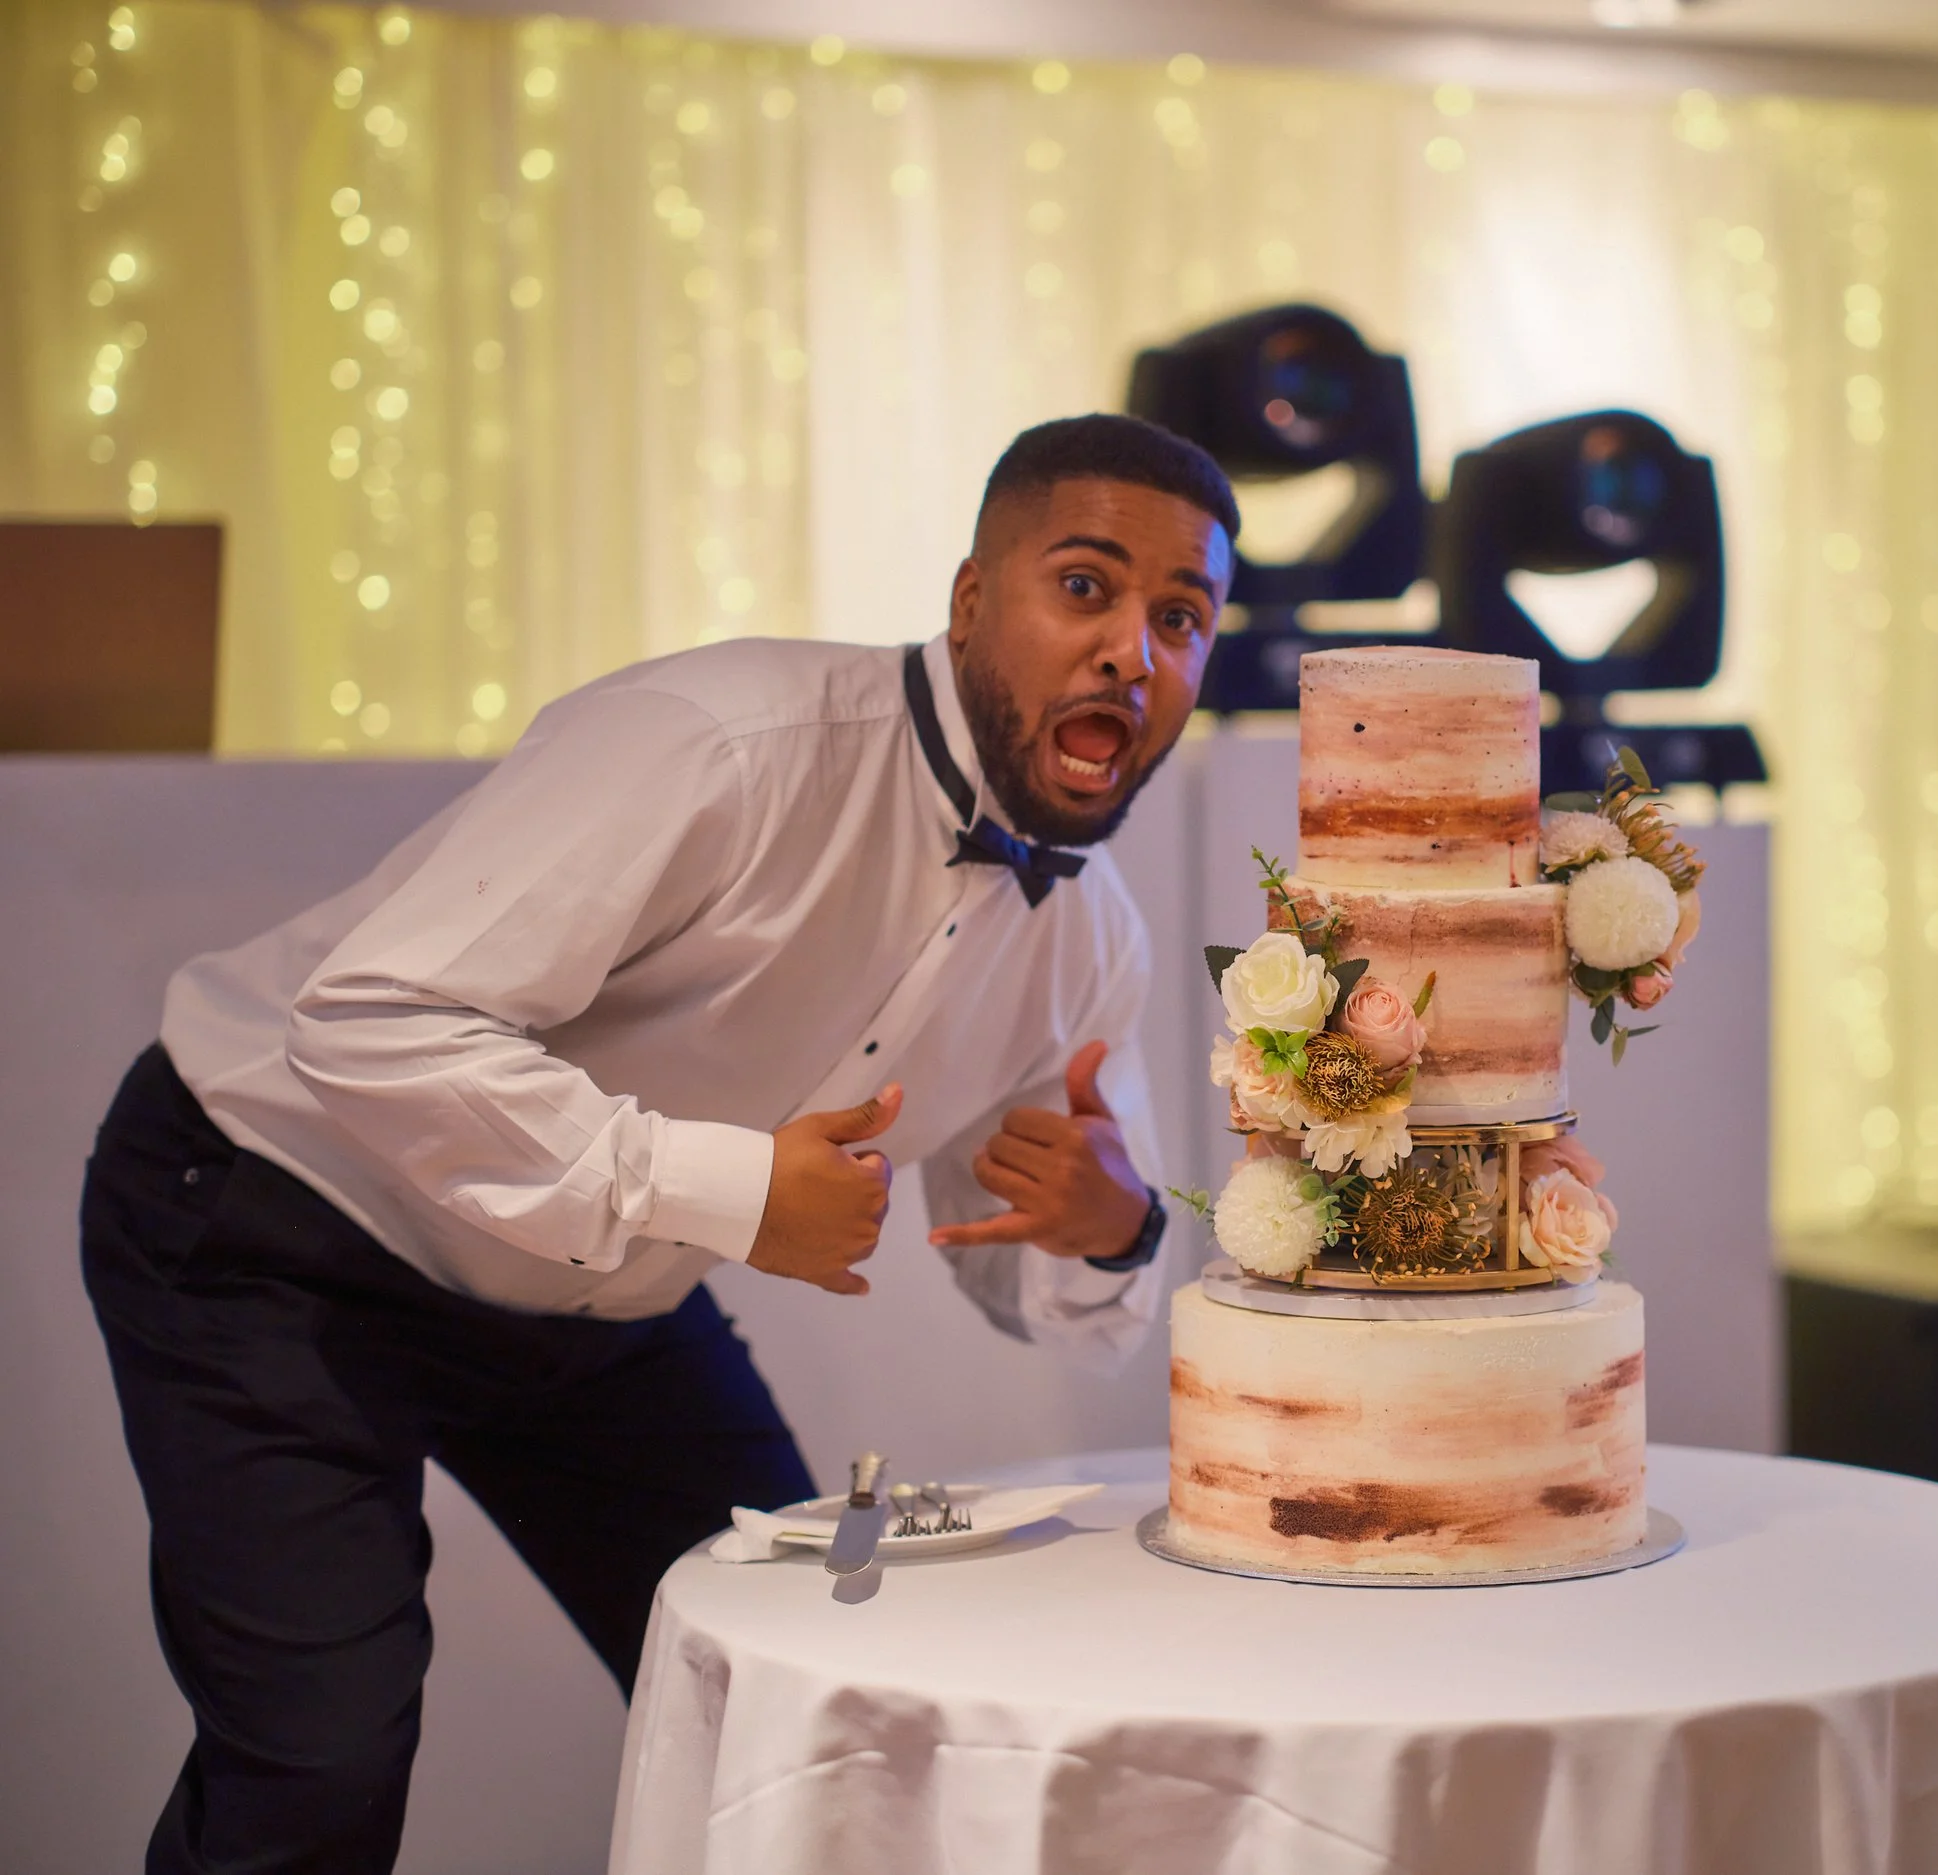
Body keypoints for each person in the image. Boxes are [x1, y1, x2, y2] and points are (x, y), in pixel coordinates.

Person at [80, 413, 1237, 1873]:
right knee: (317, 1757)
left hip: (596, 1295)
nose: (1136, 650)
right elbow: (364, 1021)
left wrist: (1107, 1222)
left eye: (1182, 617)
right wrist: (737, 1190)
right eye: (1087, 587)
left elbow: (1046, 1292)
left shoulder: (1088, 938)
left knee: (816, 1684)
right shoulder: (723, 745)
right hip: (272, 1211)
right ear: (966, 603)